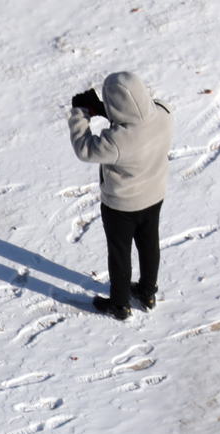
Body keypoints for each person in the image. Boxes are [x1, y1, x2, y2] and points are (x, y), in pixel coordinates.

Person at [68, 71, 174, 321]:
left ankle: (119, 304)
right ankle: (147, 294)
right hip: (154, 196)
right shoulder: (165, 114)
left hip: (121, 207)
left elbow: (85, 149)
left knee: (120, 254)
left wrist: (80, 113)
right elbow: (137, 114)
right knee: (149, 246)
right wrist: (105, 109)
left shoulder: (116, 141)